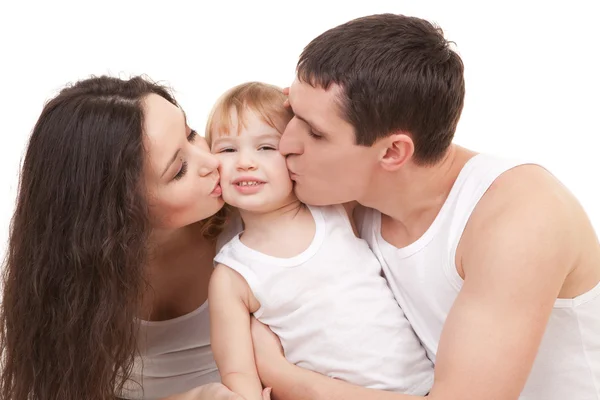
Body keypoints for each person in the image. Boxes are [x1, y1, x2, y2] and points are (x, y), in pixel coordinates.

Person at [249, 13, 600, 400]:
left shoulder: (521, 217)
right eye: (291, 113)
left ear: (393, 152)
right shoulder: (347, 193)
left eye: (314, 132)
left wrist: (282, 375)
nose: (286, 144)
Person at [0, 75, 248, 400]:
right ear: (119, 208)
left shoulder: (253, 228)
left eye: (191, 134)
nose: (211, 161)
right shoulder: (68, 283)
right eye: (179, 171)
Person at [205, 82, 433, 400]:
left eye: (266, 147)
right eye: (228, 150)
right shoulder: (232, 276)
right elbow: (237, 371)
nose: (245, 162)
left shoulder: (333, 208)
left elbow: (364, 150)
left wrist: (319, 106)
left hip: (423, 388)